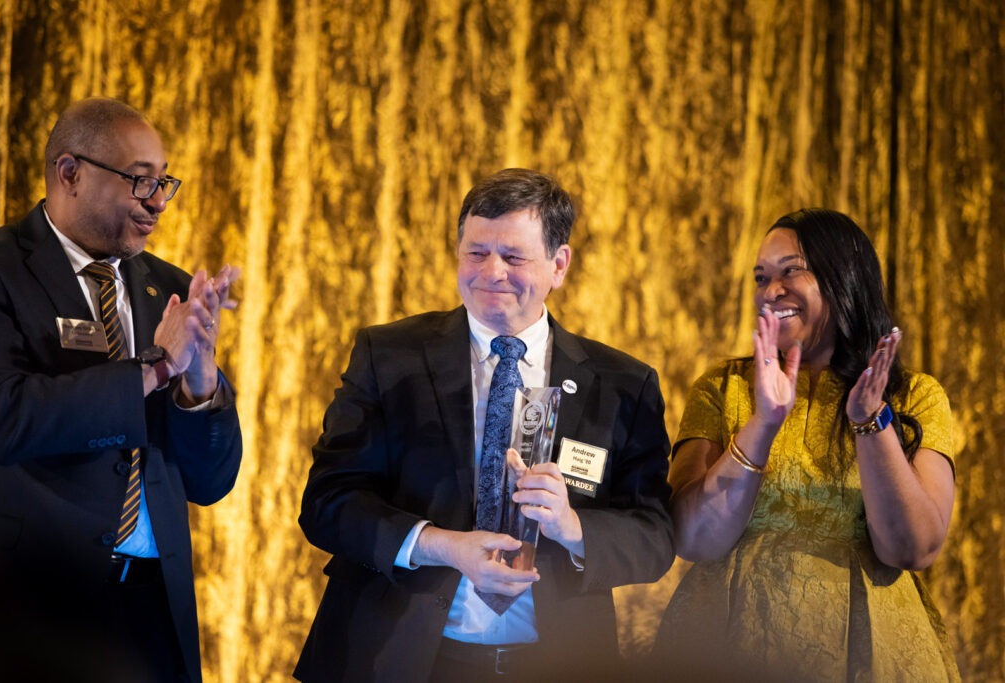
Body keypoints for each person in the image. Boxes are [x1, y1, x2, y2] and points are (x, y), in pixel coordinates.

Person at [296, 168, 674, 682]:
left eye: (514, 257)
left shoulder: (624, 384)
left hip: (556, 665)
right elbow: (327, 503)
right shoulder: (389, 356)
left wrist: (573, 526)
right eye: (475, 253)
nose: (491, 272)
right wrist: (440, 544)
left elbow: (654, 537)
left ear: (559, 265)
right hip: (397, 659)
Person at [0, 97, 242, 683]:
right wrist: (153, 367)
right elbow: (4, 419)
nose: (156, 202)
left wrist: (199, 385)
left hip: (152, 606)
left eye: (164, 182)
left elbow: (209, 482)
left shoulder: (170, 290)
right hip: (32, 603)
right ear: (69, 173)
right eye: (139, 181)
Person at [651, 208, 959, 681]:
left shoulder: (914, 395)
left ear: (843, 278)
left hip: (872, 653)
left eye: (791, 270)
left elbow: (912, 550)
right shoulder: (723, 387)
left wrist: (869, 421)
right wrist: (764, 422)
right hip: (727, 646)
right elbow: (692, 539)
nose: (771, 291)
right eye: (761, 277)